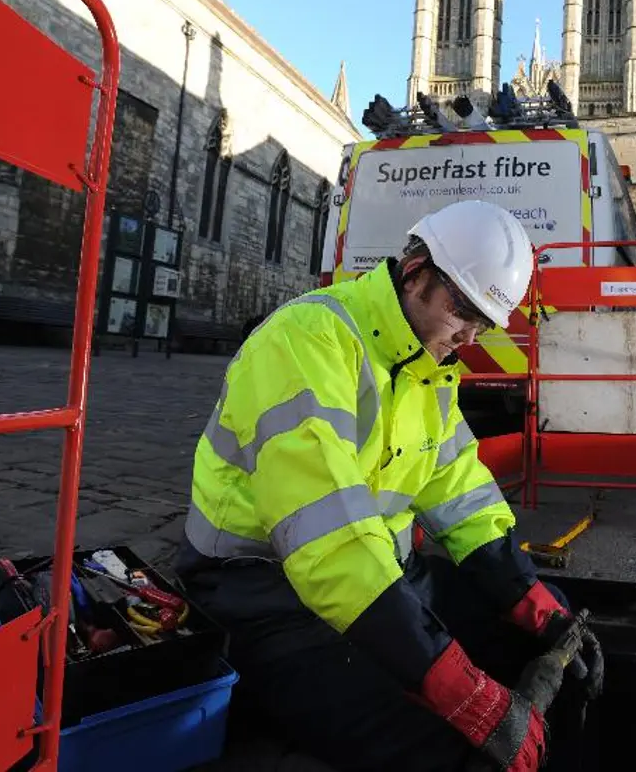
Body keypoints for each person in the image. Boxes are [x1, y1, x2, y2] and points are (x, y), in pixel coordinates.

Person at [175, 199, 603, 772]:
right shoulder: (306, 342)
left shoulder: (429, 368)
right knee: (446, 750)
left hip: (375, 580)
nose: (470, 334)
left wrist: (534, 604)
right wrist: (456, 689)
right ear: (414, 270)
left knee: (533, 646)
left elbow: (462, 495)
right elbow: (330, 542)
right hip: (263, 595)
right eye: (462, 309)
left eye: (483, 322)